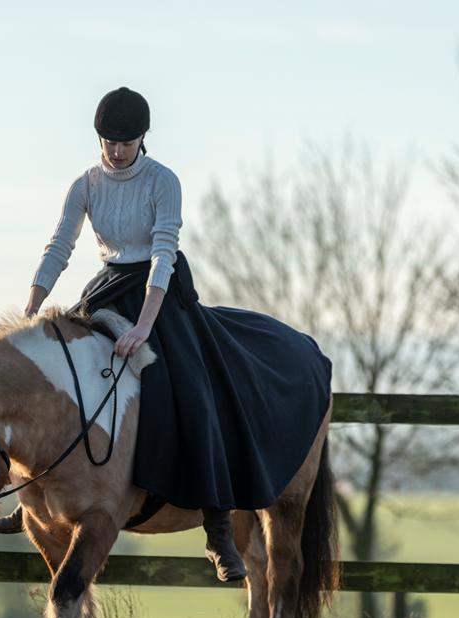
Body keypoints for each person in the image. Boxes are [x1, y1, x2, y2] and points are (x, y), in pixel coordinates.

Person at [24, 87, 332, 583]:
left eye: (126, 141)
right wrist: (33, 306)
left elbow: (163, 253)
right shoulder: (84, 185)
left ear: (143, 138)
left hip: (160, 295)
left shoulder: (162, 182)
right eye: (109, 141)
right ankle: (35, 496)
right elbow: (61, 243)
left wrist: (145, 326)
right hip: (105, 289)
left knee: (189, 388)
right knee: (63, 381)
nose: (117, 150)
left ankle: (217, 526)